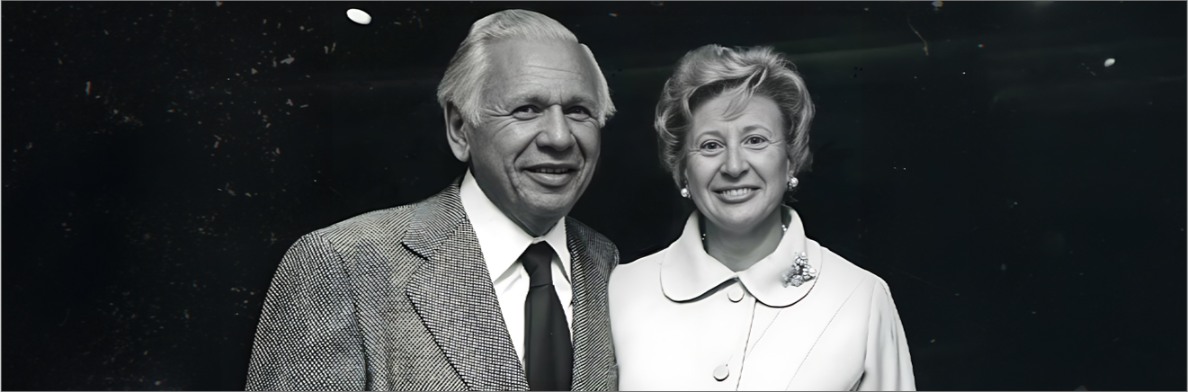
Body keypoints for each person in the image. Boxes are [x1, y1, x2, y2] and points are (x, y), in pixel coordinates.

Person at [246, 10, 620, 391]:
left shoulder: (608, 265)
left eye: (578, 111)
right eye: (526, 109)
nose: (558, 137)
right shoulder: (343, 264)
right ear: (459, 129)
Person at [609, 44, 915, 391]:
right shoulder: (621, 290)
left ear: (791, 160)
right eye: (710, 145)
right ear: (682, 170)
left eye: (755, 140)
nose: (735, 166)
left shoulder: (861, 297)